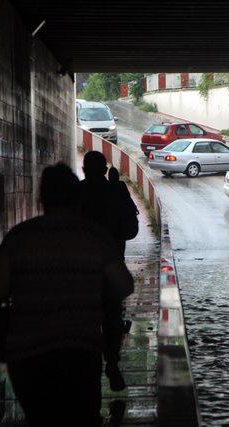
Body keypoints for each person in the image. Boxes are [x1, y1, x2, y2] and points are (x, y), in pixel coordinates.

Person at [0, 163, 134, 426]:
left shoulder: (18, 237)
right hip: (80, 351)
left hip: (28, 355)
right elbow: (124, 286)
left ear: (41, 198)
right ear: (78, 198)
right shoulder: (94, 237)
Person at [79, 152, 138, 391]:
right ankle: (112, 363)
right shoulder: (117, 190)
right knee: (112, 315)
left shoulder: (77, 192)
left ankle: (87, 364)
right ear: (105, 170)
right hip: (112, 264)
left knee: (85, 318)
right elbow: (132, 229)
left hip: (82, 269)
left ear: (84, 170)